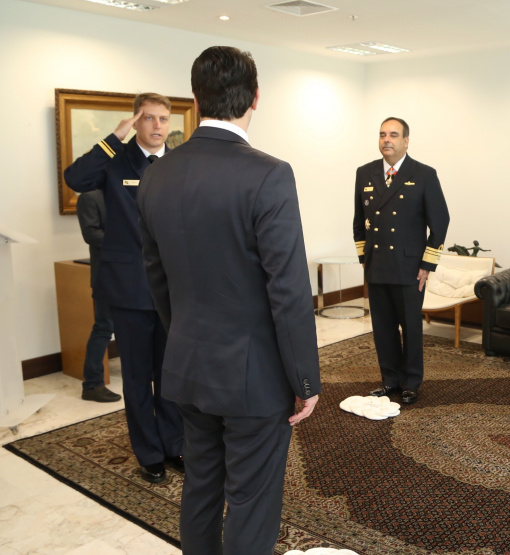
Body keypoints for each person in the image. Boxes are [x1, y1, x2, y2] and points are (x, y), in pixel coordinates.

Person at [137, 46, 321, 555]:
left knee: (201, 487)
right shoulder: (269, 174)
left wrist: (186, 338)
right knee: (251, 502)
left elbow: (158, 278)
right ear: (255, 98)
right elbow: (287, 290)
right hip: (254, 378)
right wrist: (305, 379)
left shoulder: (157, 173)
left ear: (195, 100)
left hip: (190, 365)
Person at [64, 93, 184, 484]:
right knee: (136, 375)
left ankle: (173, 445)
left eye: (163, 119)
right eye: (148, 119)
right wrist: (112, 139)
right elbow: (75, 178)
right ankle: (148, 451)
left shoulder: (181, 162)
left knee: (170, 374)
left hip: (173, 289)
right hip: (129, 287)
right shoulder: (116, 160)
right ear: (136, 121)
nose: (157, 126)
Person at [353, 117, 449, 405]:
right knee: (382, 328)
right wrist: (364, 260)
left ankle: (410, 382)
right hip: (378, 265)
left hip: (409, 268)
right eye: (383, 134)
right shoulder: (365, 173)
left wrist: (427, 265)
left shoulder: (424, 174)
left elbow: (440, 222)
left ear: (406, 141)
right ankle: (390, 380)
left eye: (394, 135)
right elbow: (359, 222)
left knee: (410, 327)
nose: (387, 140)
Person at [75, 189, 120, 403]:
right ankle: (92, 384)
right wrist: (127, 242)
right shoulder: (89, 197)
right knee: (104, 328)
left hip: (131, 275)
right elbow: (91, 234)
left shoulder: (123, 191)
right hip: (106, 275)